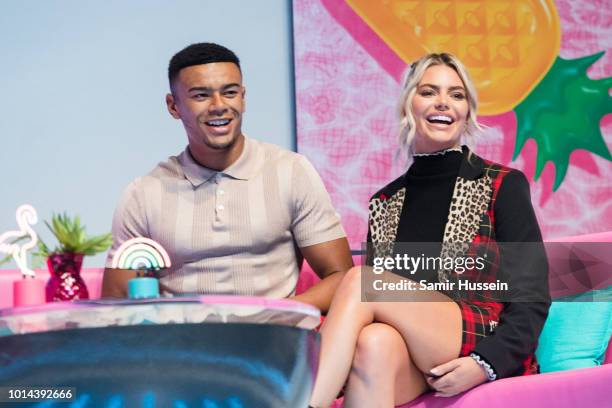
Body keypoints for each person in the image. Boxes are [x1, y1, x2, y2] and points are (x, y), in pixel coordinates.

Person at [309, 53, 550, 407]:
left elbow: (532, 297)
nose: (443, 103)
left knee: (362, 282)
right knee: (372, 341)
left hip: (478, 338)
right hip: (411, 352)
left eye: (457, 94)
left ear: (468, 110)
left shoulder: (502, 184)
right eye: (428, 92)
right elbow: (383, 305)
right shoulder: (385, 201)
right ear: (409, 103)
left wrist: (486, 364)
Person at [102, 43, 352, 312]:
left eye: (230, 93)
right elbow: (117, 305)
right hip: (183, 344)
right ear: (173, 106)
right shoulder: (144, 193)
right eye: (201, 96)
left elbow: (342, 278)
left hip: (273, 340)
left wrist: (279, 313)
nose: (219, 106)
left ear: (243, 98)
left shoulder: (291, 171)